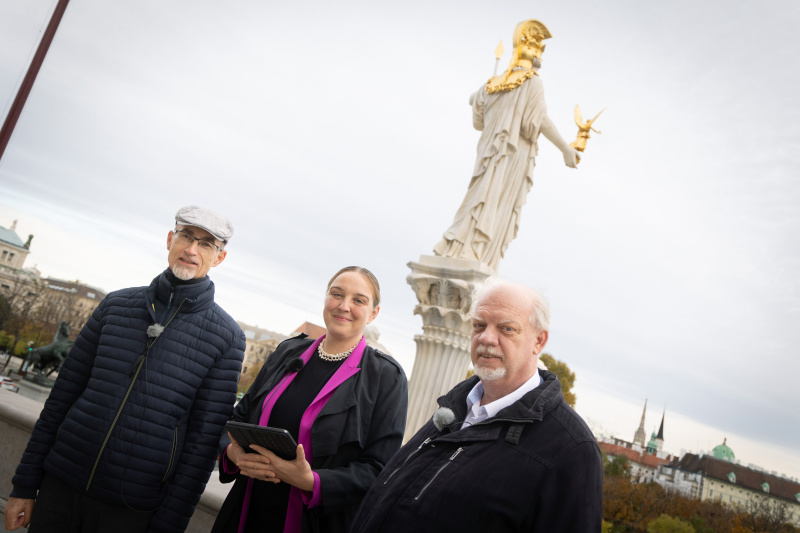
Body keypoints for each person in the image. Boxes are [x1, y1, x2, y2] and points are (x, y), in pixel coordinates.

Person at [4, 206, 246, 533]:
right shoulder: (115, 306)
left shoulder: (226, 338)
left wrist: (167, 527)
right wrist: (23, 486)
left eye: (206, 244)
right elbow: (60, 399)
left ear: (219, 258)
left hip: (131, 510)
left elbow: (201, 448)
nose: (191, 249)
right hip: (59, 488)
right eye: (186, 236)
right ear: (170, 239)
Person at [350, 282, 603, 532]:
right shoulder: (454, 407)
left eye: (506, 328)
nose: (486, 338)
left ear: (538, 341)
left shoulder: (571, 449)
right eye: (479, 325)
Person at [211, 266, 408, 533]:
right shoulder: (287, 351)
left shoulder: (386, 377)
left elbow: (378, 469)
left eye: (359, 300)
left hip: (313, 522)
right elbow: (238, 417)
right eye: (336, 294)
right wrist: (233, 452)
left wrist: (311, 481)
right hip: (246, 509)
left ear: (373, 313)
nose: (344, 306)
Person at [433, 19, 581, 271]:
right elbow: (539, 120)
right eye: (536, 47)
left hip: (488, 153)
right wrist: (565, 148)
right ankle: (473, 251)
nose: (539, 53)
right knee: (495, 200)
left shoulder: (491, 84)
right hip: (511, 153)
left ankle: (461, 247)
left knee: (482, 196)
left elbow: (477, 121)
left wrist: (478, 98)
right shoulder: (532, 82)